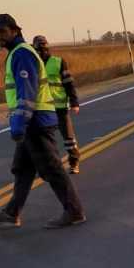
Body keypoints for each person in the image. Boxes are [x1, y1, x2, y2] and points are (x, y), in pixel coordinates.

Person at [0, 14, 86, 229]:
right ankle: (12, 213)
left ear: (15, 30)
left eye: (2, 31)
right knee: (22, 168)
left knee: (52, 169)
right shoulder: (16, 53)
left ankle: (74, 211)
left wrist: (19, 124)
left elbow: (26, 91)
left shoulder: (21, 54)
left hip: (35, 122)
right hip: (32, 120)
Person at [32, 35, 82, 174]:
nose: (42, 51)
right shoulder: (33, 64)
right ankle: (49, 166)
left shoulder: (58, 62)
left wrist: (74, 102)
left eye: (44, 48)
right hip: (42, 108)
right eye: (39, 49)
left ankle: (74, 161)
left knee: (68, 138)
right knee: (45, 140)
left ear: (48, 48)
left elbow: (68, 83)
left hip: (59, 107)